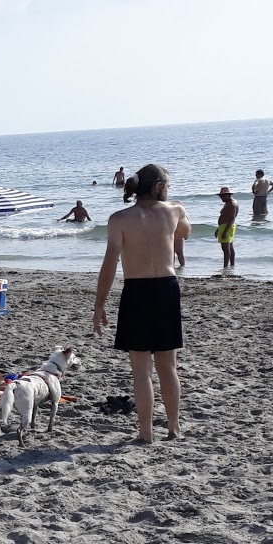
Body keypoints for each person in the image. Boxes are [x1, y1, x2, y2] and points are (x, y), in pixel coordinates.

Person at [93, 163, 191, 443]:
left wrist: (100, 304)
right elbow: (185, 232)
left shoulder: (119, 218)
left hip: (136, 290)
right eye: (166, 186)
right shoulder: (174, 210)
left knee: (141, 370)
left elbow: (110, 263)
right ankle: (174, 428)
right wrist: (174, 206)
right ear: (159, 187)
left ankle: (146, 434)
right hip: (166, 289)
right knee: (167, 366)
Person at [216, 186, 238, 268]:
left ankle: (225, 267)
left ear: (227, 195)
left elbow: (231, 218)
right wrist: (218, 229)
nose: (221, 198)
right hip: (226, 226)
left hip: (227, 227)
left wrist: (225, 231)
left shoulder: (231, 204)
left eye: (222, 196)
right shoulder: (230, 203)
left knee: (226, 249)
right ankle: (232, 265)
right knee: (230, 247)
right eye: (220, 196)